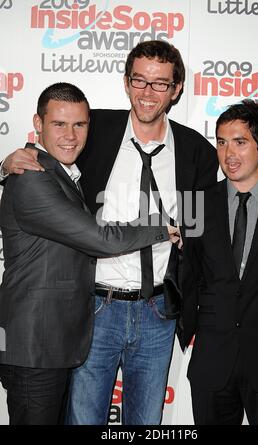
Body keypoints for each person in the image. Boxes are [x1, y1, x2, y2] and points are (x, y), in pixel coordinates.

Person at [1, 41, 258, 425]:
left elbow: (220, 211)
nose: (147, 92)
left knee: (146, 422)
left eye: (160, 84)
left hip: (159, 313)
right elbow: (51, 152)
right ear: (126, 83)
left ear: (176, 90)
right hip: (94, 310)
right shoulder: (93, 130)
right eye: (139, 80)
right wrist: (7, 161)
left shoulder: (197, 151)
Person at [0, 82, 175, 425]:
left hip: (57, 345)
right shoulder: (32, 178)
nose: (70, 135)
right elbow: (99, 239)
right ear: (38, 124)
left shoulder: (61, 174)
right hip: (35, 346)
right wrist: (162, 228)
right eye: (58, 124)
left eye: (79, 124)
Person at [181, 99, 258, 425]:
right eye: (221, 142)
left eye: (240, 142)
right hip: (212, 358)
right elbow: (187, 270)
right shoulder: (195, 203)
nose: (229, 153)